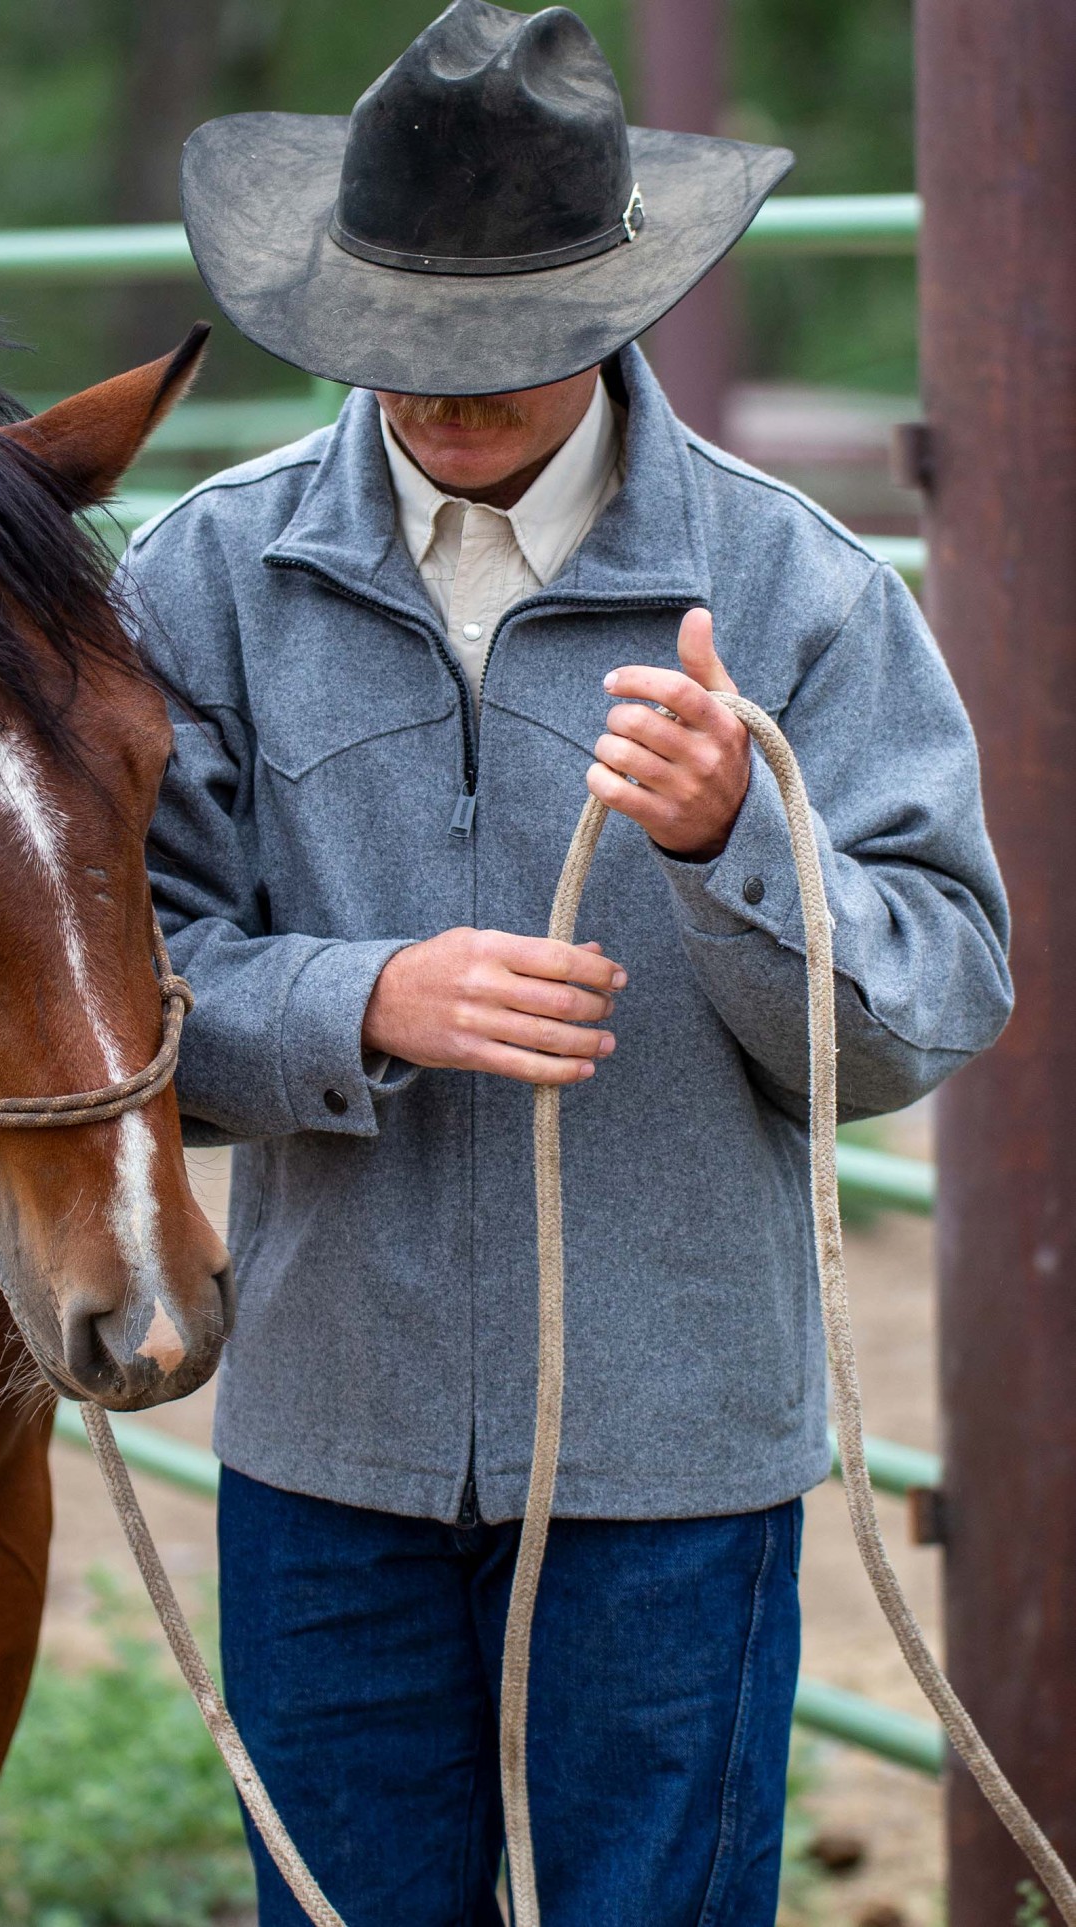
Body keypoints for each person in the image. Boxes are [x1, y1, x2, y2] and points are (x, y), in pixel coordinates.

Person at [123, 4, 1013, 1921]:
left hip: (675, 1462)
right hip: (326, 1448)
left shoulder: (796, 590)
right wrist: (355, 1003)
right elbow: (114, 991)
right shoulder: (202, 578)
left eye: (495, 360)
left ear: (619, 309)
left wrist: (731, 848)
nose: (438, 403)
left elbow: (930, 1002)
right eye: (396, 354)